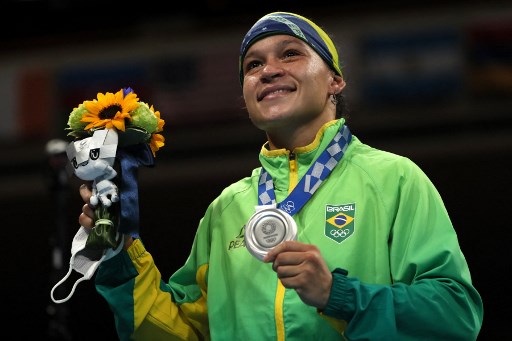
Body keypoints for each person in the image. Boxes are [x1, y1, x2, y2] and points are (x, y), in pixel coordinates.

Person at [77, 11, 483, 340]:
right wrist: (119, 256)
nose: (268, 70)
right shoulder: (226, 209)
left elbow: (455, 315)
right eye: (253, 65)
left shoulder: (394, 178)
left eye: (290, 53)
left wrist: (338, 295)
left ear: (335, 81)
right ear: (246, 99)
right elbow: (180, 332)